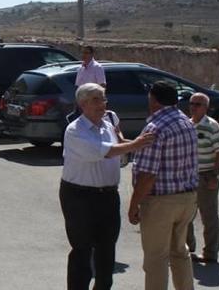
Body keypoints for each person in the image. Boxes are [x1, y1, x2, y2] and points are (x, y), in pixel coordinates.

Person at [61, 83, 155, 290]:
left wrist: (148, 146)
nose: (102, 104)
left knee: (107, 248)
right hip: (79, 197)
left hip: (108, 196)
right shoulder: (75, 130)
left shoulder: (108, 126)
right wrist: (138, 143)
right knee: (82, 249)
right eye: (96, 99)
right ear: (83, 103)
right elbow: (106, 151)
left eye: (103, 99)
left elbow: (120, 148)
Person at [129, 81, 199, 290]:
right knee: (180, 252)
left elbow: (147, 175)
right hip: (187, 198)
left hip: (161, 202)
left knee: (156, 259)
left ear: (154, 100)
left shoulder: (155, 127)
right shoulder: (187, 122)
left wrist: (134, 205)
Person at [185, 92, 219, 264]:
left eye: (198, 104)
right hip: (187, 177)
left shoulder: (212, 126)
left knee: (209, 217)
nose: (193, 106)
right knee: (185, 215)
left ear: (206, 108)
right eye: (192, 103)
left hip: (205, 176)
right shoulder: (187, 124)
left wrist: (214, 176)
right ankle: (187, 249)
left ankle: (210, 253)